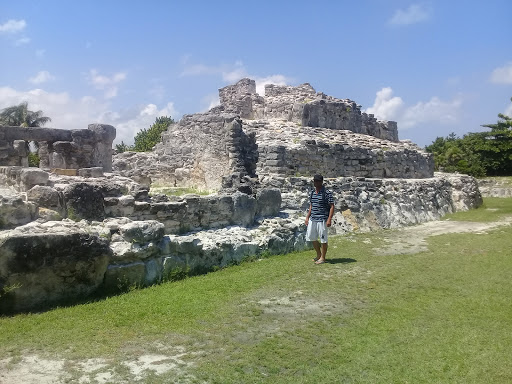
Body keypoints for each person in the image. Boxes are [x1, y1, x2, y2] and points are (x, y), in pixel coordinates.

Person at [305, 174, 334, 264]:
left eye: (317, 181)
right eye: (314, 181)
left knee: (323, 239)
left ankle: (323, 258)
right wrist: (307, 217)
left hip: (322, 219)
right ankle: (318, 254)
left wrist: (329, 219)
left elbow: (332, 206)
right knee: (311, 237)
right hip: (313, 218)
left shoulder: (327, 193)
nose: (315, 182)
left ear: (321, 182)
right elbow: (311, 205)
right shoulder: (313, 192)